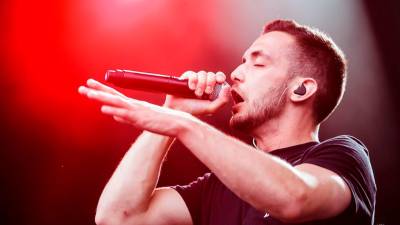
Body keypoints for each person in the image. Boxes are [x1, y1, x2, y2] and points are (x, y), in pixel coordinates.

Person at [78, 19, 376, 225]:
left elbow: (295, 197)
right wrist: (175, 112)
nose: (235, 73)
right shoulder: (218, 188)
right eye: (242, 61)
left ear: (301, 89)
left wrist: (183, 126)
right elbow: (118, 217)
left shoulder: (344, 157)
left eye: (258, 63)